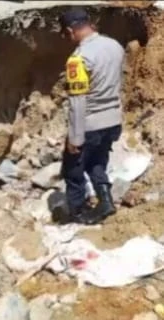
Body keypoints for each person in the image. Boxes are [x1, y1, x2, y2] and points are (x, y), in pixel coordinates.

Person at [58, 8, 125, 225]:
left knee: (72, 169)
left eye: (66, 35)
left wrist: (75, 138)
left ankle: (78, 214)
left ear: (70, 30)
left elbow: (78, 102)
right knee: (97, 162)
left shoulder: (78, 59)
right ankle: (105, 201)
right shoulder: (114, 45)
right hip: (113, 119)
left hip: (90, 123)